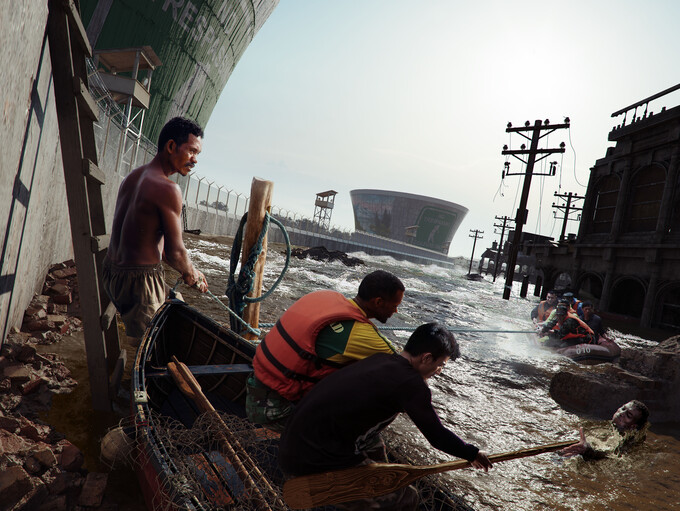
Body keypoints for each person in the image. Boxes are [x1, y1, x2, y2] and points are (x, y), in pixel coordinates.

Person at [278, 322, 492, 510]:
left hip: (292, 445)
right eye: (440, 365)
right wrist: (471, 453)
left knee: (377, 447)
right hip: (310, 464)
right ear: (427, 357)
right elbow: (436, 435)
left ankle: (369, 488)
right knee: (407, 498)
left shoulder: (380, 359)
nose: (439, 371)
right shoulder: (410, 384)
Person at [246, 270, 404, 431]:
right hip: (275, 409)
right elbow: (404, 369)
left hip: (257, 383)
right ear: (378, 302)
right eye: (395, 305)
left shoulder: (324, 297)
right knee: (347, 435)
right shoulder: (360, 334)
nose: (396, 311)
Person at [102, 117, 209, 344]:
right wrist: (193, 275)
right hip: (139, 283)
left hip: (111, 273)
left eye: (197, 154)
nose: (195, 160)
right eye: (191, 151)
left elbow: (156, 247)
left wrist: (189, 270)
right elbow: (175, 253)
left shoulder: (132, 177)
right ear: (171, 146)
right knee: (152, 347)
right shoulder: (169, 189)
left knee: (176, 302)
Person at [559, 400, 650, 460]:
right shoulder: (603, 425)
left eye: (628, 415)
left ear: (633, 426)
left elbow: (611, 455)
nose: (621, 413)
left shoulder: (628, 440)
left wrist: (588, 450)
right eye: (623, 408)